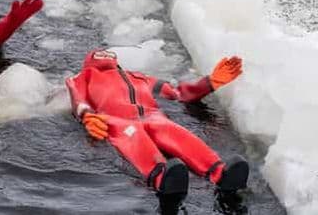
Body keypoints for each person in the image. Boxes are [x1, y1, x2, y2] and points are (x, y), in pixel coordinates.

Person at [66, 49, 248, 196]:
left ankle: (218, 172)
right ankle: (161, 176)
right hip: (116, 119)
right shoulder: (82, 77)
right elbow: (78, 98)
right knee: (133, 136)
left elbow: (178, 94)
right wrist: (87, 115)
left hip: (153, 115)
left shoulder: (140, 78)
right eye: (98, 54)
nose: (103, 55)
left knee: (177, 133)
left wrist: (209, 83)